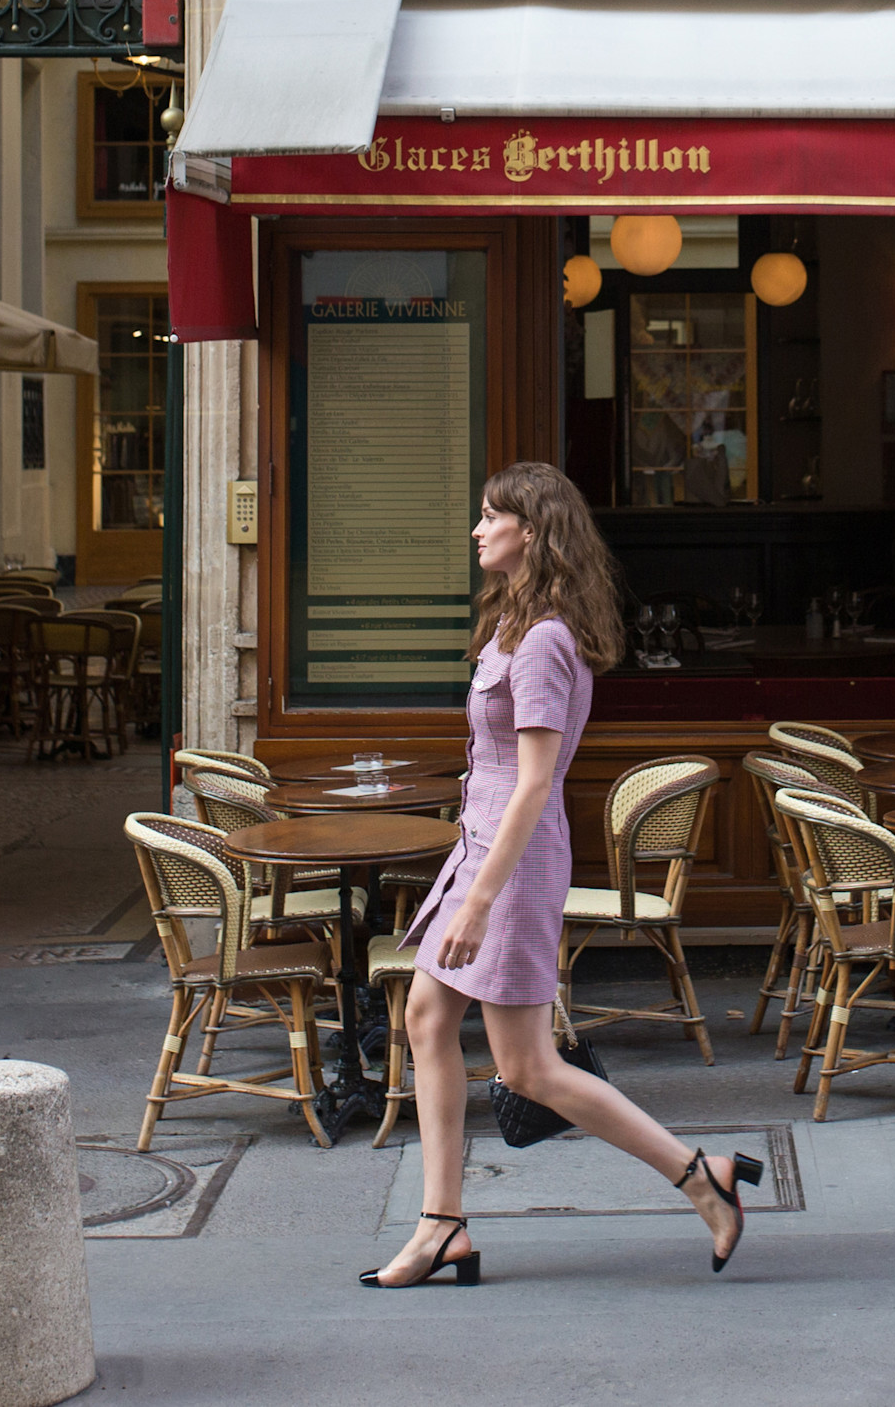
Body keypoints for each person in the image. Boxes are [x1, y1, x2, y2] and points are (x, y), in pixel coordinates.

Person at [363, 459, 763, 1289]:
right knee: (429, 1019)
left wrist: (477, 902)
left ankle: (702, 1176)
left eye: (490, 516)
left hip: (508, 868)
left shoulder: (543, 641)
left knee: (528, 1069)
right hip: (479, 852)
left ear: (533, 532)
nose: (477, 529)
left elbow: (538, 782)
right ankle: (443, 1226)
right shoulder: (515, 623)